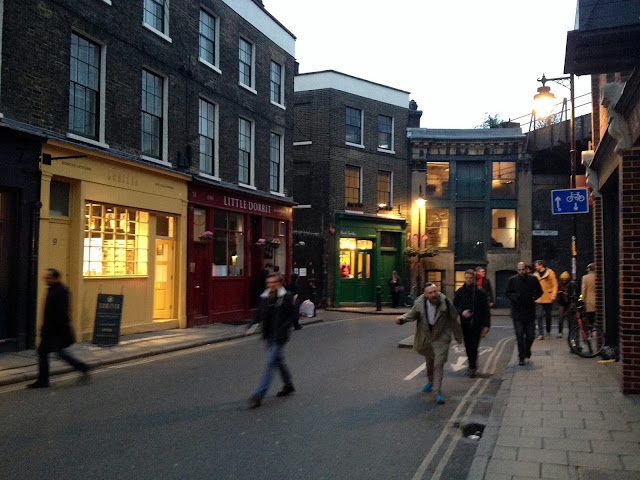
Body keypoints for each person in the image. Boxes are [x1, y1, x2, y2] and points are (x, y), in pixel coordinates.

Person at [395, 282, 462, 404]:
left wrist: (458, 335)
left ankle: (438, 392)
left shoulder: (445, 302)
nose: (433, 294)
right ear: (425, 294)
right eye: (430, 292)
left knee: (439, 363)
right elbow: (411, 314)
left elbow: (453, 318)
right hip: (426, 336)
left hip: (441, 336)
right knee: (429, 360)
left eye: (435, 291)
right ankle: (430, 381)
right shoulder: (420, 303)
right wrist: (402, 319)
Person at [28, 268, 92, 388]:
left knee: (49, 353)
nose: (46, 279)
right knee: (51, 353)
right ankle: (81, 367)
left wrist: (49, 329)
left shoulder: (61, 291)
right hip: (52, 330)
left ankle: (44, 380)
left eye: (48, 277)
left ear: (56, 278)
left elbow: (61, 313)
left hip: (55, 330)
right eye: (45, 277)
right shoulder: (53, 289)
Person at [246, 272, 297, 409]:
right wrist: (251, 326)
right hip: (269, 335)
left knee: (270, 363)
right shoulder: (264, 297)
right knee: (278, 361)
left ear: (279, 283)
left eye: (273, 282)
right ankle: (288, 385)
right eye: (268, 283)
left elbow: (292, 315)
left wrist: (284, 328)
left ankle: (259, 394)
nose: (270, 285)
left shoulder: (286, 297)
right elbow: (258, 314)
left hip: (280, 336)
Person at [453, 270, 490, 378]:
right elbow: (455, 305)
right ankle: (471, 366)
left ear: (474, 278)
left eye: (470, 278)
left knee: (474, 345)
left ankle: (473, 367)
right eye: (467, 278)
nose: (468, 280)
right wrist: (461, 312)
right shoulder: (460, 291)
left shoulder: (480, 292)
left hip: (477, 323)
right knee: (468, 346)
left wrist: (487, 325)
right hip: (465, 323)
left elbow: (486, 309)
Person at [506, 262, 543, 365]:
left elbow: (540, 291)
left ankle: (527, 350)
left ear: (526, 269)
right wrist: (514, 297)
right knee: (519, 335)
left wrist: (533, 297)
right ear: (517, 270)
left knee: (531, 335)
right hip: (517, 312)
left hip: (530, 311)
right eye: (519, 270)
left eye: (523, 269)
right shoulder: (512, 280)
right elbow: (507, 293)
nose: (521, 272)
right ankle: (521, 357)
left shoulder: (533, 280)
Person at [533, 260, 558, 340]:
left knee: (548, 316)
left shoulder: (550, 273)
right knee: (539, 315)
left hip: (548, 297)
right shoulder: (535, 275)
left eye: (536, 266)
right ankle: (541, 333)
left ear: (541, 265)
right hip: (539, 298)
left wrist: (553, 295)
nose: (535, 267)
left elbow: (555, 285)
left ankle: (548, 332)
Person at [556, 271, 573, 338]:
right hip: (562, 302)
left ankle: (570, 331)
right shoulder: (560, 284)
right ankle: (560, 331)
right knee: (561, 318)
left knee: (569, 318)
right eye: (563, 279)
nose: (564, 281)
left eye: (565, 279)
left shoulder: (570, 285)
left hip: (567, 302)